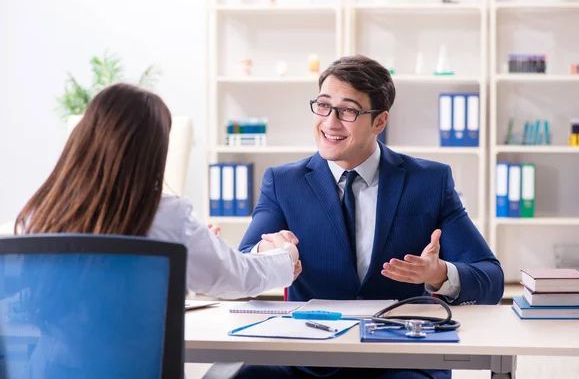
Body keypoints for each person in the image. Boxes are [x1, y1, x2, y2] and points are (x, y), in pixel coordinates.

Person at [237, 55, 504, 379]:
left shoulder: (429, 181)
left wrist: (440, 274)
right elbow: (243, 269)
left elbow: (491, 279)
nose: (330, 122)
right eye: (323, 106)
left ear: (379, 122)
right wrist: (269, 254)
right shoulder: (284, 182)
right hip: (308, 360)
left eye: (348, 111)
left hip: (401, 359)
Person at [14, 82, 301, 299]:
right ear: (152, 153)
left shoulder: (39, 216)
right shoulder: (168, 217)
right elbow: (240, 278)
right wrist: (286, 256)